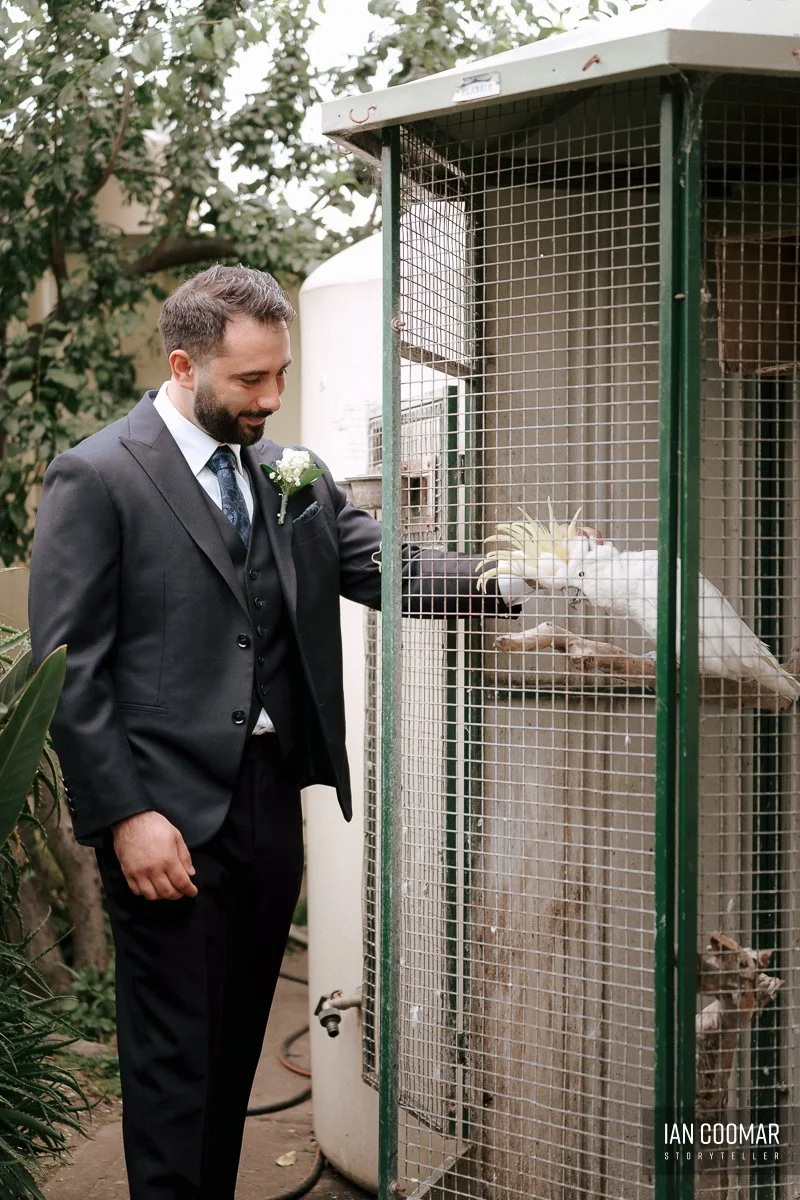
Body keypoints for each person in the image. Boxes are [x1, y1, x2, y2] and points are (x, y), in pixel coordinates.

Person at [28, 264, 516, 1200]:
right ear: (184, 366)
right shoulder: (99, 474)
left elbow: (384, 565)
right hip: (162, 816)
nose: (271, 397)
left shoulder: (291, 474)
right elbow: (69, 670)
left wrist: (518, 577)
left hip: (267, 801)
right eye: (250, 379)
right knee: (174, 1066)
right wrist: (126, 816)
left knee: (234, 1051)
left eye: (281, 374)